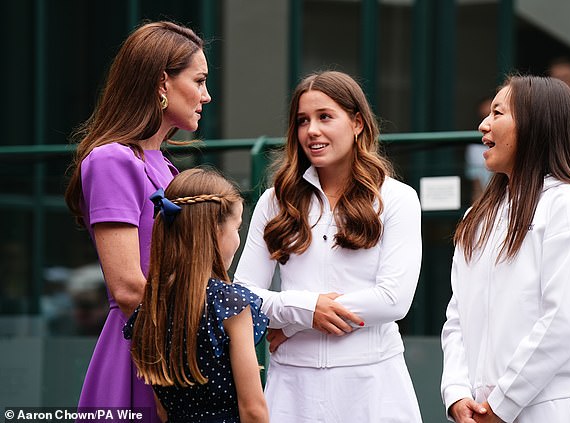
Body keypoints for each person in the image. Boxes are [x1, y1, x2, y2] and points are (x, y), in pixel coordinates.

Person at [234, 70, 423, 422]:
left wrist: (292, 322)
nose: (312, 131)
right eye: (303, 121)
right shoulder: (276, 201)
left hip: (373, 384)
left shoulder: (398, 199)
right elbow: (243, 294)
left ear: (357, 123)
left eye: (325, 117)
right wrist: (306, 309)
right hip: (292, 387)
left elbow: (393, 300)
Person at [441, 75, 570, 423]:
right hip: (481, 412)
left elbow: (563, 320)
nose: (483, 124)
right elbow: (457, 318)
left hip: (550, 407)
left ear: (536, 124)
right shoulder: (477, 217)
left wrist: (502, 403)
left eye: (498, 113)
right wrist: (457, 393)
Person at [64, 21, 212, 421]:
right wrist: (210, 325)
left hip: (171, 347)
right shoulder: (112, 159)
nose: (206, 96)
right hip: (141, 352)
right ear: (162, 81)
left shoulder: (167, 167)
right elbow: (129, 287)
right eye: (199, 81)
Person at [123, 167, 269, 423]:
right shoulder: (231, 304)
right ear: (215, 230)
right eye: (237, 228)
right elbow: (253, 410)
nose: (237, 239)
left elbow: (162, 411)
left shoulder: (149, 310)